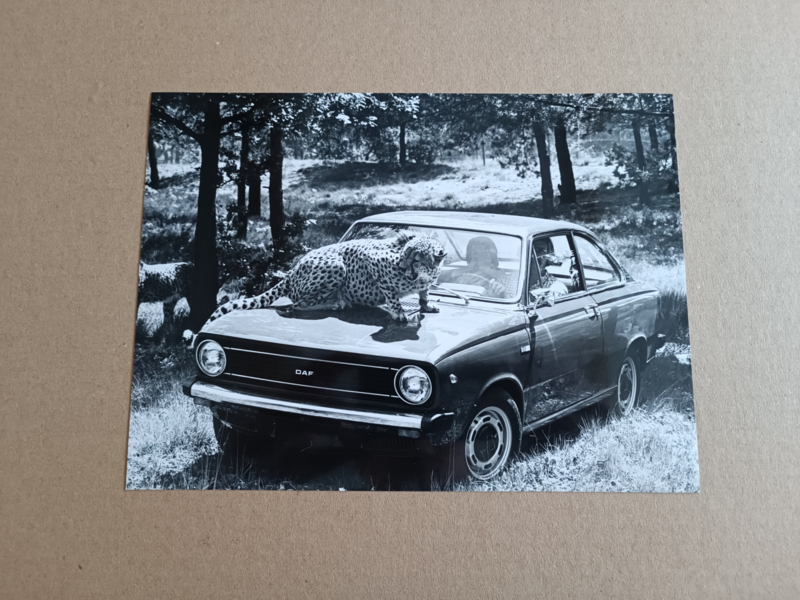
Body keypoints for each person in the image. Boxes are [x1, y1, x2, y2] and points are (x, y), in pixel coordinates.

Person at [438, 236, 513, 298]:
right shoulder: (457, 273)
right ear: (469, 258)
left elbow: (510, 300)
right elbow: (436, 276)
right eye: (475, 254)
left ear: (492, 259)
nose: (479, 257)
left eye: (485, 254)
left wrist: (502, 295)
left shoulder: (503, 278)